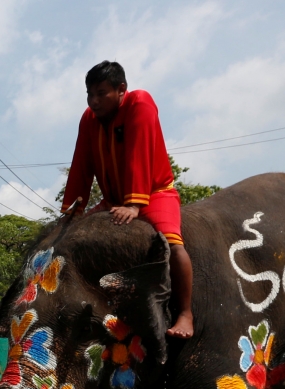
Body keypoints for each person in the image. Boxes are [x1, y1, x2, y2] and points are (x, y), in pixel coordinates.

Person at [60, 61, 195, 338]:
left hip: (154, 194)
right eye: (90, 94)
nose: (94, 101)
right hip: (113, 201)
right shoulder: (89, 118)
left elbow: (139, 153)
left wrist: (134, 204)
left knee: (173, 244)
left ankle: (185, 313)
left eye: (101, 94)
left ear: (121, 89)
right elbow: (81, 163)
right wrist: (74, 210)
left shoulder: (140, 103)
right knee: (69, 241)